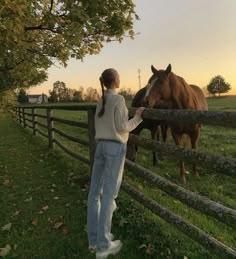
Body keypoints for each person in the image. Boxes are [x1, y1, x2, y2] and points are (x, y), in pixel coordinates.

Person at [87, 68, 145, 259]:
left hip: (100, 147)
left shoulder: (100, 100)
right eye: (119, 76)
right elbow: (122, 126)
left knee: (95, 193)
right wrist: (137, 117)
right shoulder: (118, 100)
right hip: (114, 149)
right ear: (115, 81)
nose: (120, 78)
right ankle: (103, 246)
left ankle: (94, 240)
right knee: (108, 196)